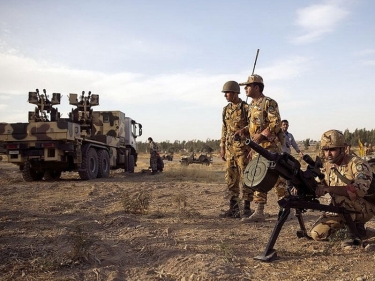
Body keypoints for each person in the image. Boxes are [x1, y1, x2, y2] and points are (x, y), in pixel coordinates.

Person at [235, 74, 287, 222]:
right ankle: (259, 212)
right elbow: (255, 124)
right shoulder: (252, 106)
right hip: (258, 149)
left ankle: (285, 209)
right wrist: (244, 130)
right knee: (258, 178)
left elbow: (275, 123)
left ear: (256, 87)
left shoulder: (269, 103)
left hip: (271, 148)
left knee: (278, 179)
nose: (245, 88)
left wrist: (262, 136)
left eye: (248, 86)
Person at [311, 129, 375, 246]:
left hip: (365, 208)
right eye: (326, 150)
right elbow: (316, 184)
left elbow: (359, 190)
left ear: (343, 149)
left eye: (332, 149)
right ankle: (360, 231)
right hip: (342, 209)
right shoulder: (328, 167)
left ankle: (352, 236)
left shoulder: (357, 164)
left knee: (339, 197)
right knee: (317, 233)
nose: (328, 153)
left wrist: (329, 189)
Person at [219, 81, 252, 218]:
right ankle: (234, 208)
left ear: (234, 93)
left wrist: (243, 130)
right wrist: (222, 146)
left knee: (246, 178)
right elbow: (224, 128)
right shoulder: (226, 109)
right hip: (230, 150)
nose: (225, 95)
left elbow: (253, 126)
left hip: (243, 150)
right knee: (231, 179)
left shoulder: (246, 108)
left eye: (227, 93)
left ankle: (246, 208)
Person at [281, 119, 303, 191]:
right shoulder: (279, 135)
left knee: (291, 169)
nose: (285, 126)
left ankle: (289, 187)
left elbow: (294, 144)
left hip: (287, 155)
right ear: (281, 125)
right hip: (280, 155)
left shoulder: (290, 135)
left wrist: (299, 152)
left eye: (286, 125)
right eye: (284, 124)